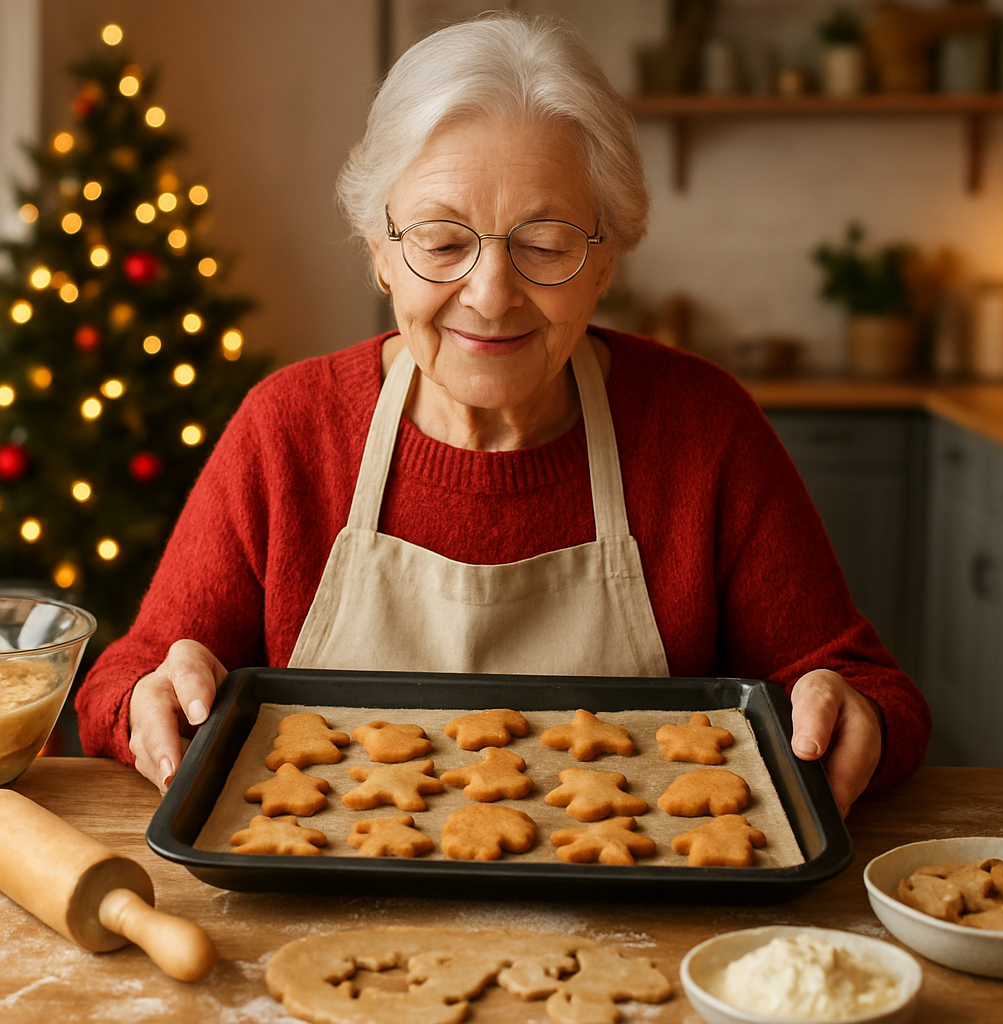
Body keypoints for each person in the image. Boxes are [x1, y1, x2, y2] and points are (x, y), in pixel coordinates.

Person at [76, 13, 930, 818]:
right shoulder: (288, 431)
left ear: (607, 259)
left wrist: (851, 715)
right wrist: (152, 698)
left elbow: (866, 685)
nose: (490, 295)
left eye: (545, 244)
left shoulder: (704, 430)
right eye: (443, 241)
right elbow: (125, 678)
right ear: (380, 252)